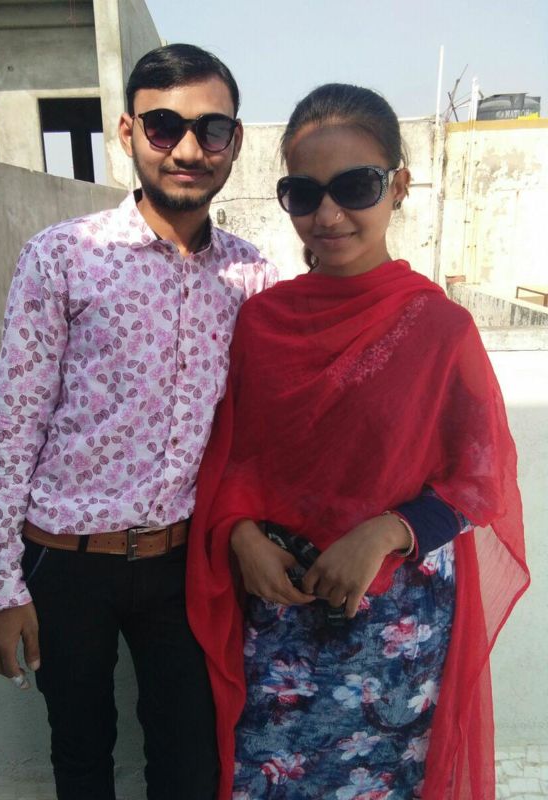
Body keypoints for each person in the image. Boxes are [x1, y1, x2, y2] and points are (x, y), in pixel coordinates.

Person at [187, 83, 529, 800]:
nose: (329, 215)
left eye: (355, 187)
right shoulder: (262, 325)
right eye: (304, 194)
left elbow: (480, 479)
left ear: (398, 187)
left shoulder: (440, 329)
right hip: (280, 615)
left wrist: (383, 533)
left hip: (395, 632)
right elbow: (232, 461)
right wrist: (239, 536)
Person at [0, 43, 277, 800]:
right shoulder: (63, 257)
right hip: (65, 561)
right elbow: (12, 427)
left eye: (211, 129)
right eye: (164, 125)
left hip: (186, 561)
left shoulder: (252, 277)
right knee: (81, 755)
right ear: (128, 131)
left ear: (235, 140)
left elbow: (267, 427)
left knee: (190, 759)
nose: (187, 149)